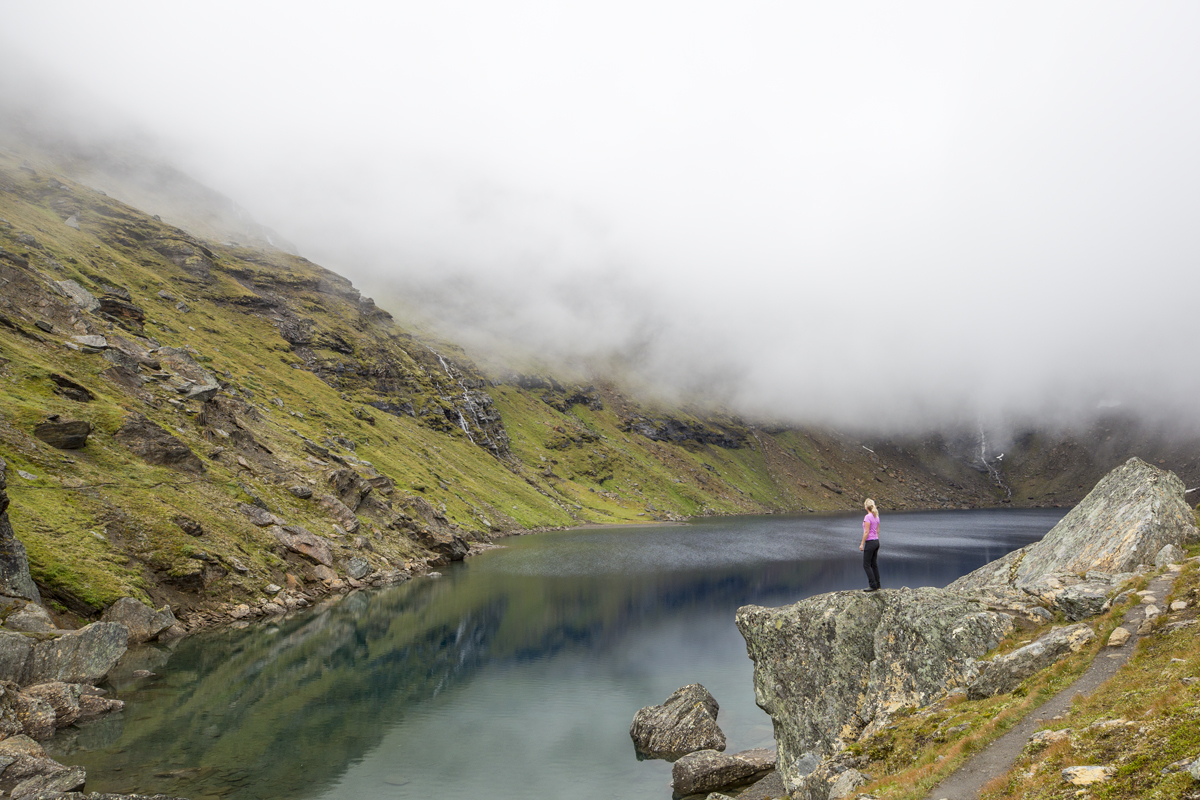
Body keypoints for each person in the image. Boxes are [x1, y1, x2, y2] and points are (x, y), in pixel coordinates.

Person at [859, 498, 880, 591]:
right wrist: (877, 540)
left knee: (866, 565)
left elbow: (866, 532)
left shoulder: (867, 517)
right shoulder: (876, 516)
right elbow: (877, 531)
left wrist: (862, 544)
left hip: (870, 542)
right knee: (874, 564)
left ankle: (872, 585)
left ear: (866, 507)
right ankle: (878, 584)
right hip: (876, 542)